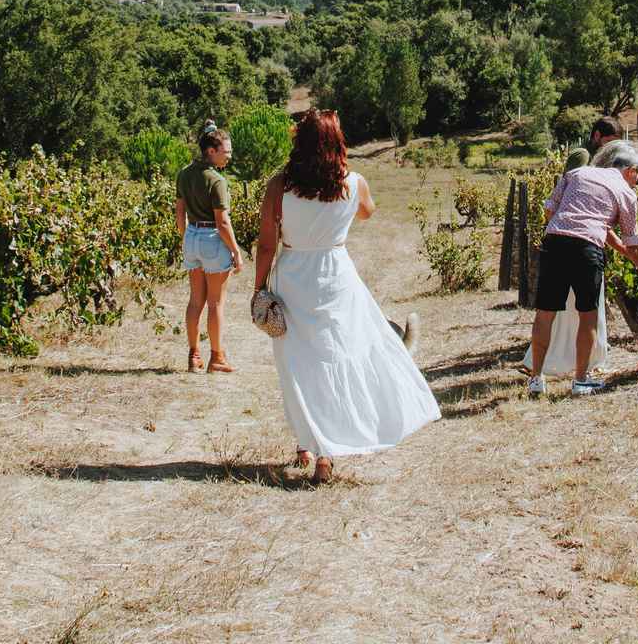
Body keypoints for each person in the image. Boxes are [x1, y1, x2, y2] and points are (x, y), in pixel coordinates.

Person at [252, 110, 441, 484]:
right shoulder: (353, 183)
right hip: (336, 275)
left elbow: (266, 244)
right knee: (336, 357)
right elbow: (369, 212)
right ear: (337, 143)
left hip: (293, 277)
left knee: (297, 364)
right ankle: (324, 453)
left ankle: (308, 443)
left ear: (299, 143)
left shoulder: (280, 185)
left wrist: (259, 288)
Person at [528, 141, 638, 397]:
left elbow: (549, 210)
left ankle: (536, 379)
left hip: (554, 242)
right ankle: (581, 380)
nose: (637, 183)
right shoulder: (626, 193)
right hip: (587, 250)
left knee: (545, 313)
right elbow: (632, 242)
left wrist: (565, 231)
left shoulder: (577, 173)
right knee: (588, 315)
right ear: (630, 170)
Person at [522, 119, 624, 378]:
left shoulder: (602, 165)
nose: (613, 150)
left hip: (566, 240)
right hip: (580, 244)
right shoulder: (583, 161)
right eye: (610, 142)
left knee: (555, 314)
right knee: (578, 315)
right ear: (598, 136)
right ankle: (577, 373)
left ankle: (546, 373)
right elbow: (568, 207)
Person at [176, 122, 243, 373]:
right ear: (212, 151)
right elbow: (222, 222)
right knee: (216, 303)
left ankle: (194, 356)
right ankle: (217, 358)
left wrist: (187, 239)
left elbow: (179, 212)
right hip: (212, 239)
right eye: (226, 151)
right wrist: (236, 251)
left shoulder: (184, 173)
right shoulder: (217, 181)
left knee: (195, 300)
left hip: (191, 236)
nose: (229, 156)